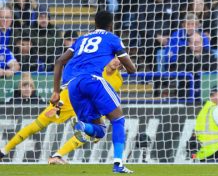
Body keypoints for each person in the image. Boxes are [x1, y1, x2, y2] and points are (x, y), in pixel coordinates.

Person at [50, 11, 136, 173]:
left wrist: (56, 92)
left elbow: (60, 61)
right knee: (118, 120)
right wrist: (125, 63)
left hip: (74, 86)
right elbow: (131, 69)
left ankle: (81, 125)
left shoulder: (81, 39)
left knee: (99, 131)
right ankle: (118, 164)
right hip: (92, 81)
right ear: (111, 25)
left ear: (95, 23)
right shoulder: (112, 38)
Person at [0, 58, 124, 165]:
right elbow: (73, 79)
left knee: (90, 134)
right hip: (67, 99)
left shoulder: (117, 80)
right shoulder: (96, 66)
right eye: (113, 57)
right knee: (35, 126)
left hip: (85, 106)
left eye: (119, 59)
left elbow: (105, 98)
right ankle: (3, 151)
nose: (116, 61)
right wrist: (59, 103)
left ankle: (57, 156)